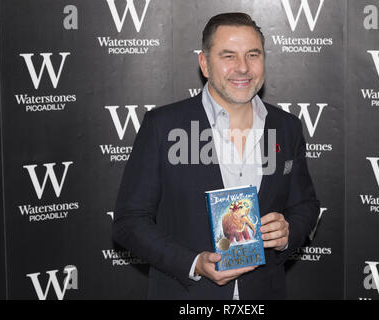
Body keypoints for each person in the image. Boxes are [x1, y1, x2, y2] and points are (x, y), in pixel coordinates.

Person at [113, 12, 320, 300]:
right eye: (228, 56)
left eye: (252, 55)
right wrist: (193, 263)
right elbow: (129, 222)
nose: (243, 68)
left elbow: (306, 205)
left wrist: (289, 233)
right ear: (204, 63)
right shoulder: (163, 126)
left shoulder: (287, 127)